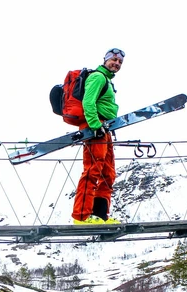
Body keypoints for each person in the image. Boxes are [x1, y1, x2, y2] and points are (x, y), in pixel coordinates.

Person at [71, 48, 124, 224]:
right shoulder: (98, 77)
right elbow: (88, 101)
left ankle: (100, 216)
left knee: (108, 173)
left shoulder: (107, 80)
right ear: (106, 60)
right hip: (95, 127)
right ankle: (81, 216)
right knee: (93, 169)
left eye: (119, 62)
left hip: (104, 128)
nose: (116, 63)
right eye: (114, 60)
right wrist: (94, 125)